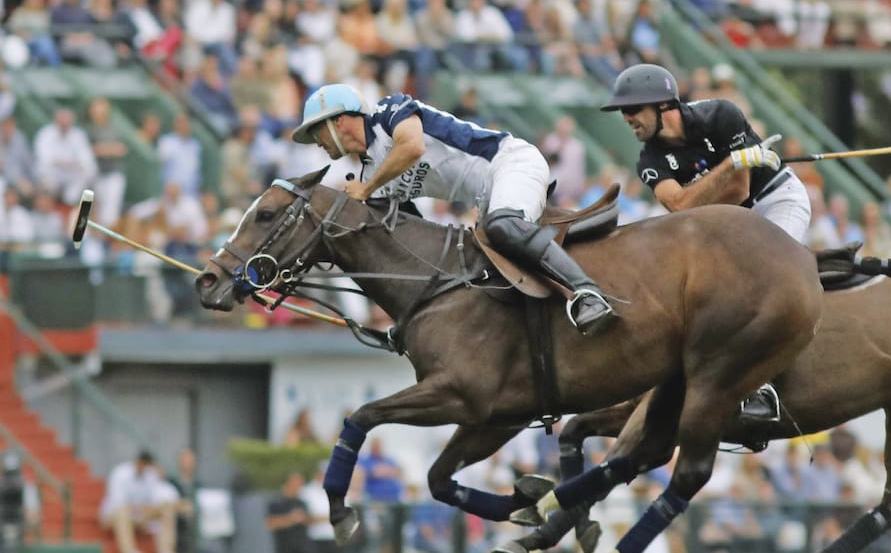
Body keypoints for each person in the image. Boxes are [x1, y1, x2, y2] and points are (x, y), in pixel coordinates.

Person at [292, 83, 614, 335]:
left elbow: (412, 146)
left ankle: (587, 293)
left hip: (510, 161)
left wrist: (367, 189)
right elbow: (408, 244)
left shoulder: (388, 111)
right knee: (478, 280)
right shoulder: (371, 175)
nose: (315, 141)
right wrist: (408, 321)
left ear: (340, 120)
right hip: (485, 202)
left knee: (504, 226)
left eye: (315, 130)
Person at [600, 63, 813, 423]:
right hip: (723, 224)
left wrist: (725, 174)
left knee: (763, 282)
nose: (626, 118)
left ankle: (762, 387)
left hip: (775, 201)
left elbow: (740, 190)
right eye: (623, 111)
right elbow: (679, 205)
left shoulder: (722, 115)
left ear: (662, 105)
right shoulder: (649, 159)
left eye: (633, 109)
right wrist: (730, 162)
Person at [98, 450, 180, 553]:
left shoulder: (150, 475)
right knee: (123, 511)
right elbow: (117, 501)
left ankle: (165, 551)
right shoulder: (120, 472)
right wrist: (137, 508)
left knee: (166, 509)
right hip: (112, 516)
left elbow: (155, 499)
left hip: (138, 516)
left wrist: (149, 508)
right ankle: (128, 552)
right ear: (138, 462)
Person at [265, 471, 310, 553]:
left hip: (302, 548)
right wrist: (291, 519)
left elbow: (307, 520)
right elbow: (270, 524)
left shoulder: (302, 503)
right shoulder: (277, 502)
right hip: (285, 548)